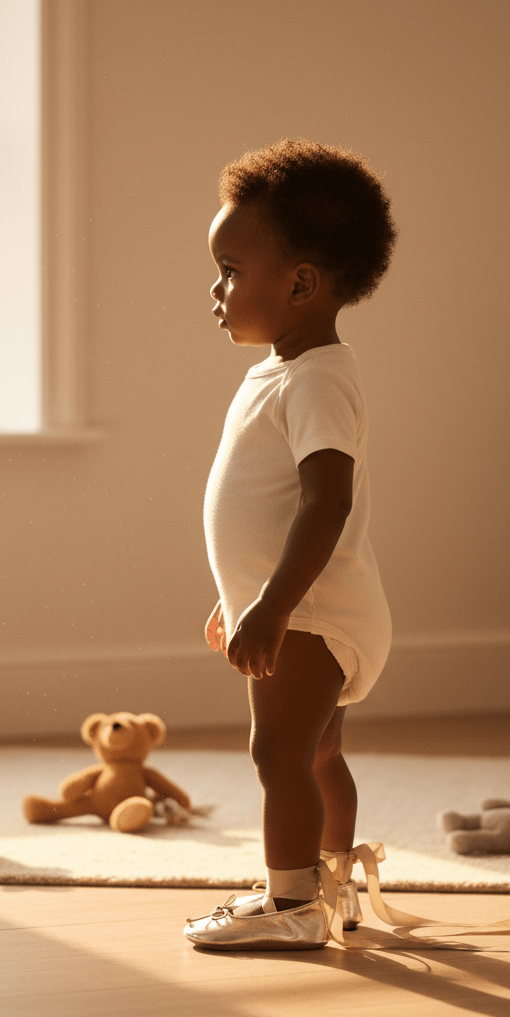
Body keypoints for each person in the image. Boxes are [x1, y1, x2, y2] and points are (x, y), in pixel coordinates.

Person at [184, 139, 396, 951]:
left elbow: (325, 501)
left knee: (276, 751)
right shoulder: (283, 372)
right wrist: (240, 592)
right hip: (303, 603)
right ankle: (330, 885)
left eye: (231, 268)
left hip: (310, 610)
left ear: (300, 283)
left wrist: (272, 604)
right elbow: (268, 509)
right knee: (316, 754)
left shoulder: (317, 379)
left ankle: (291, 904)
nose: (217, 287)